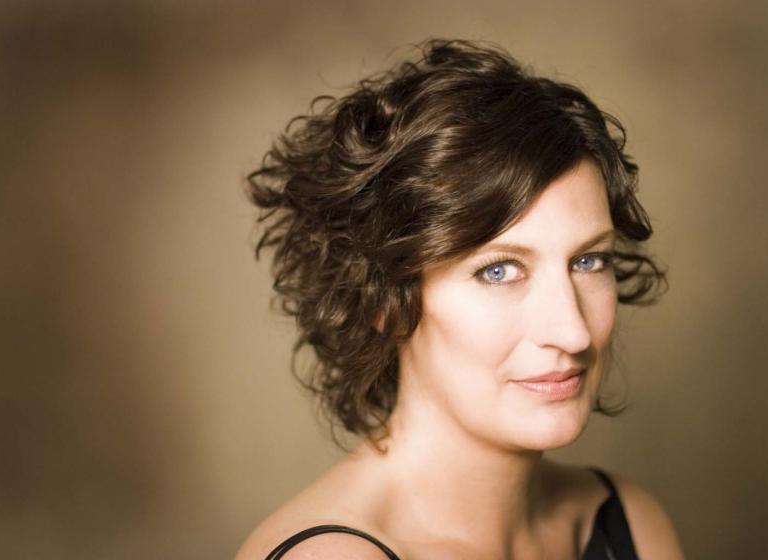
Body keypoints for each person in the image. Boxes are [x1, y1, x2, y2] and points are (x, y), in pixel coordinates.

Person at [237, 39, 685, 559]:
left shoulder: (630, 523)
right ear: (383, 299)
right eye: (499, 270)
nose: (573, 331)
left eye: (589, 261)